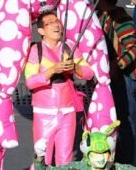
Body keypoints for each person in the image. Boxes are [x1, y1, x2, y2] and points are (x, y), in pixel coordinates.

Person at [25, 9, 94, 165]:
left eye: (57, 21)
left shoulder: (70, 47)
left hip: (68, 111)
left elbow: (89, 73)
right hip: (44, 112)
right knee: (43, 158)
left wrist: (75, 68)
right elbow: (30, 81)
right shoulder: (36, 50)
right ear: (41, 30)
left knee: (65, 160)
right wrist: (52, 70)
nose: (56, 25)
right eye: (50, 23)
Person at [94, 0, 136, 164]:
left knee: (124, 119)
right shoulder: (100, 15)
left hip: (122, 78)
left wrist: (117, 65)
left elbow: (133, 48)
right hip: (106, 77)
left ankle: (126, 162)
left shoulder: (121, 18)